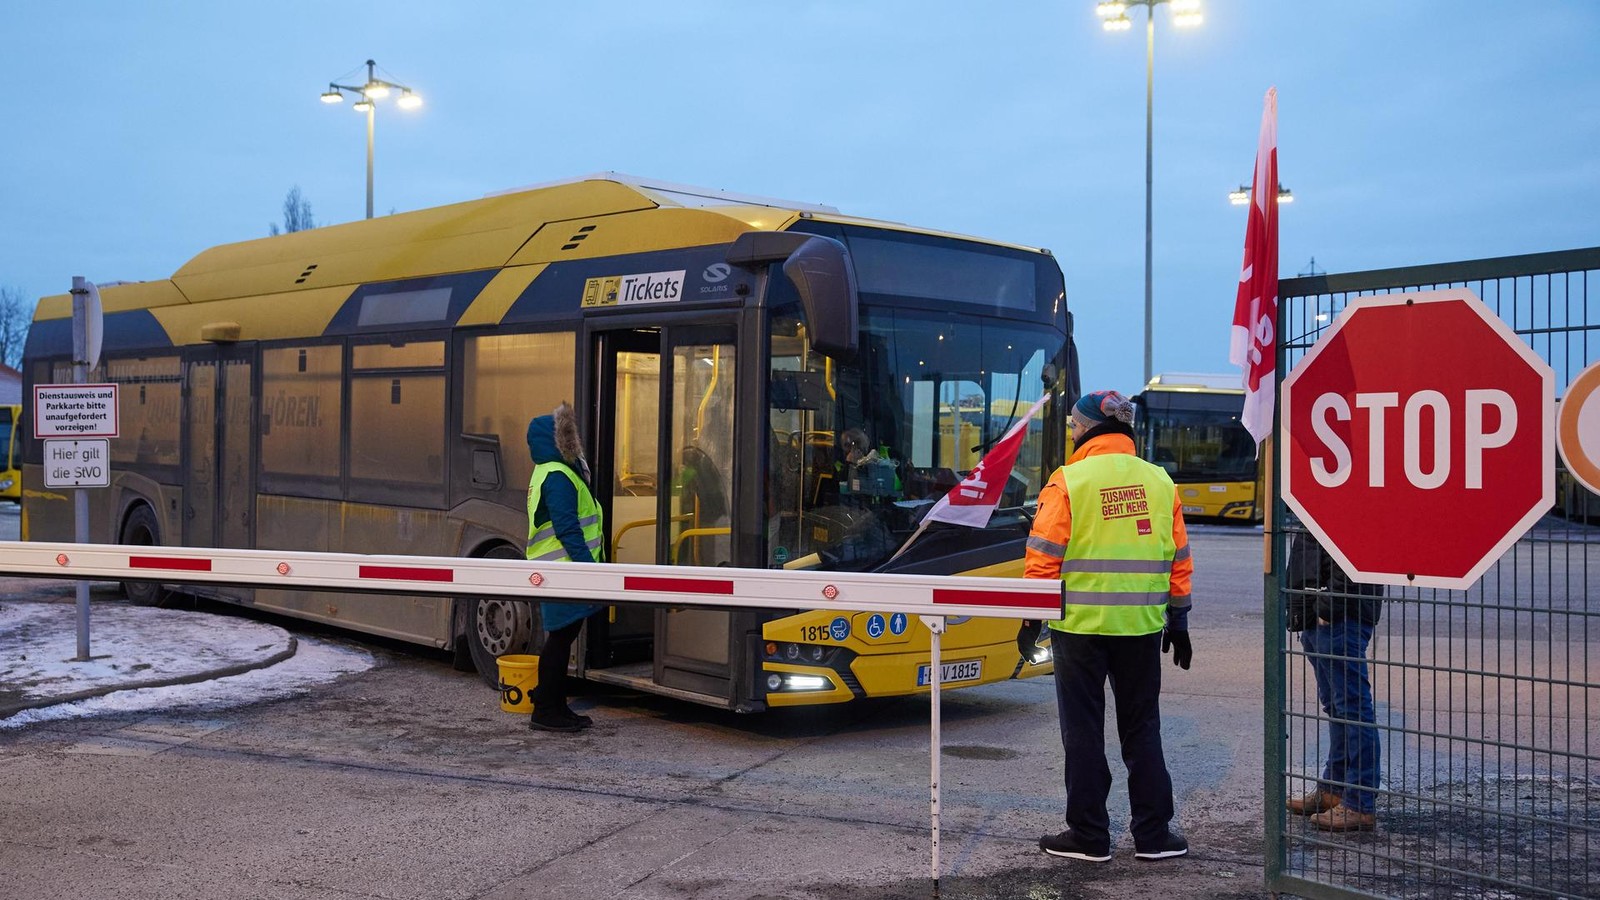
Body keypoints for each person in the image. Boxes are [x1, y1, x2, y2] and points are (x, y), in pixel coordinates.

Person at [1025, 389, 1193, 863]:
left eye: (1075, 426)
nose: (1073, 433)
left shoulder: (1069, 481)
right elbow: (1178, 557)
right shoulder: (1160, 482)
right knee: (1142, 727)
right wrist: (1178, 619)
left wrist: (1030, 616)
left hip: (1078, 627)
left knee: (1082, 729)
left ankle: (1090, 835)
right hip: (1141, 626)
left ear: (1088, 429)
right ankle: (1154, 835)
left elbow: (1042, 559)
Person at [1286, 530, 1384, 832]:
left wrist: (1330, 604)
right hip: (1319, 611)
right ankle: (1333, 790)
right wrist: (1303, 607)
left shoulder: (1351, 493)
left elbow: (1357, 547)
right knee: (1337, 707)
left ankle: (1359, 803)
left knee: (1353, 710)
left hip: (1339, 614)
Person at [524, 402, 606, 733]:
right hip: (563, 571)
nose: (573, 440)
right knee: (559, 640)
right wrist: (589, 570)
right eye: (566, 435)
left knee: (561, 638)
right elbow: (567, 528)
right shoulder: (557, 475)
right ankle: (546, 709)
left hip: (559, 570)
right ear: (555, 440)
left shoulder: (550, 471)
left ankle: (553, 705)